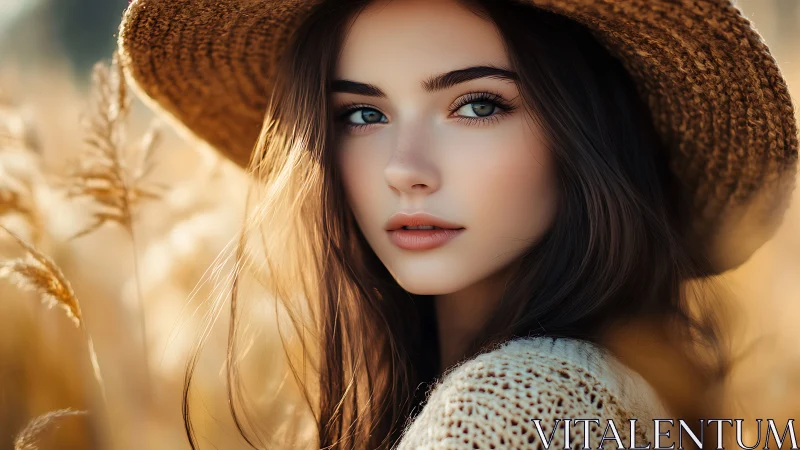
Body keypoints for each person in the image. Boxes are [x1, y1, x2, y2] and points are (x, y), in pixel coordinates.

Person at [117, 0, 798, 448]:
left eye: (476, 105)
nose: (404, 169)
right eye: (362, 114)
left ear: (588, 130)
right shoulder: (619, 388)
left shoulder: (510, 406)